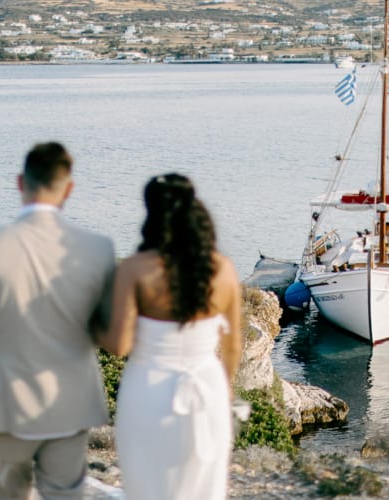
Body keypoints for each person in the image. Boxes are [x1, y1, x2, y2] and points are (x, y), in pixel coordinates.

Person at [0, 142, 116, 500]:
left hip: (6, 403)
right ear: (69, 189)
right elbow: (108, 330)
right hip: (70, 402)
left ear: (20, 182)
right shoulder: (97, 248)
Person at [98, 173, 243, 500]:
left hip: (148, 391)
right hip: (207, 391)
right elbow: (233, 346)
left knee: (148, 486)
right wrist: (225, 392)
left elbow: (119, 345)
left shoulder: (136, 269)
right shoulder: (223, 269)